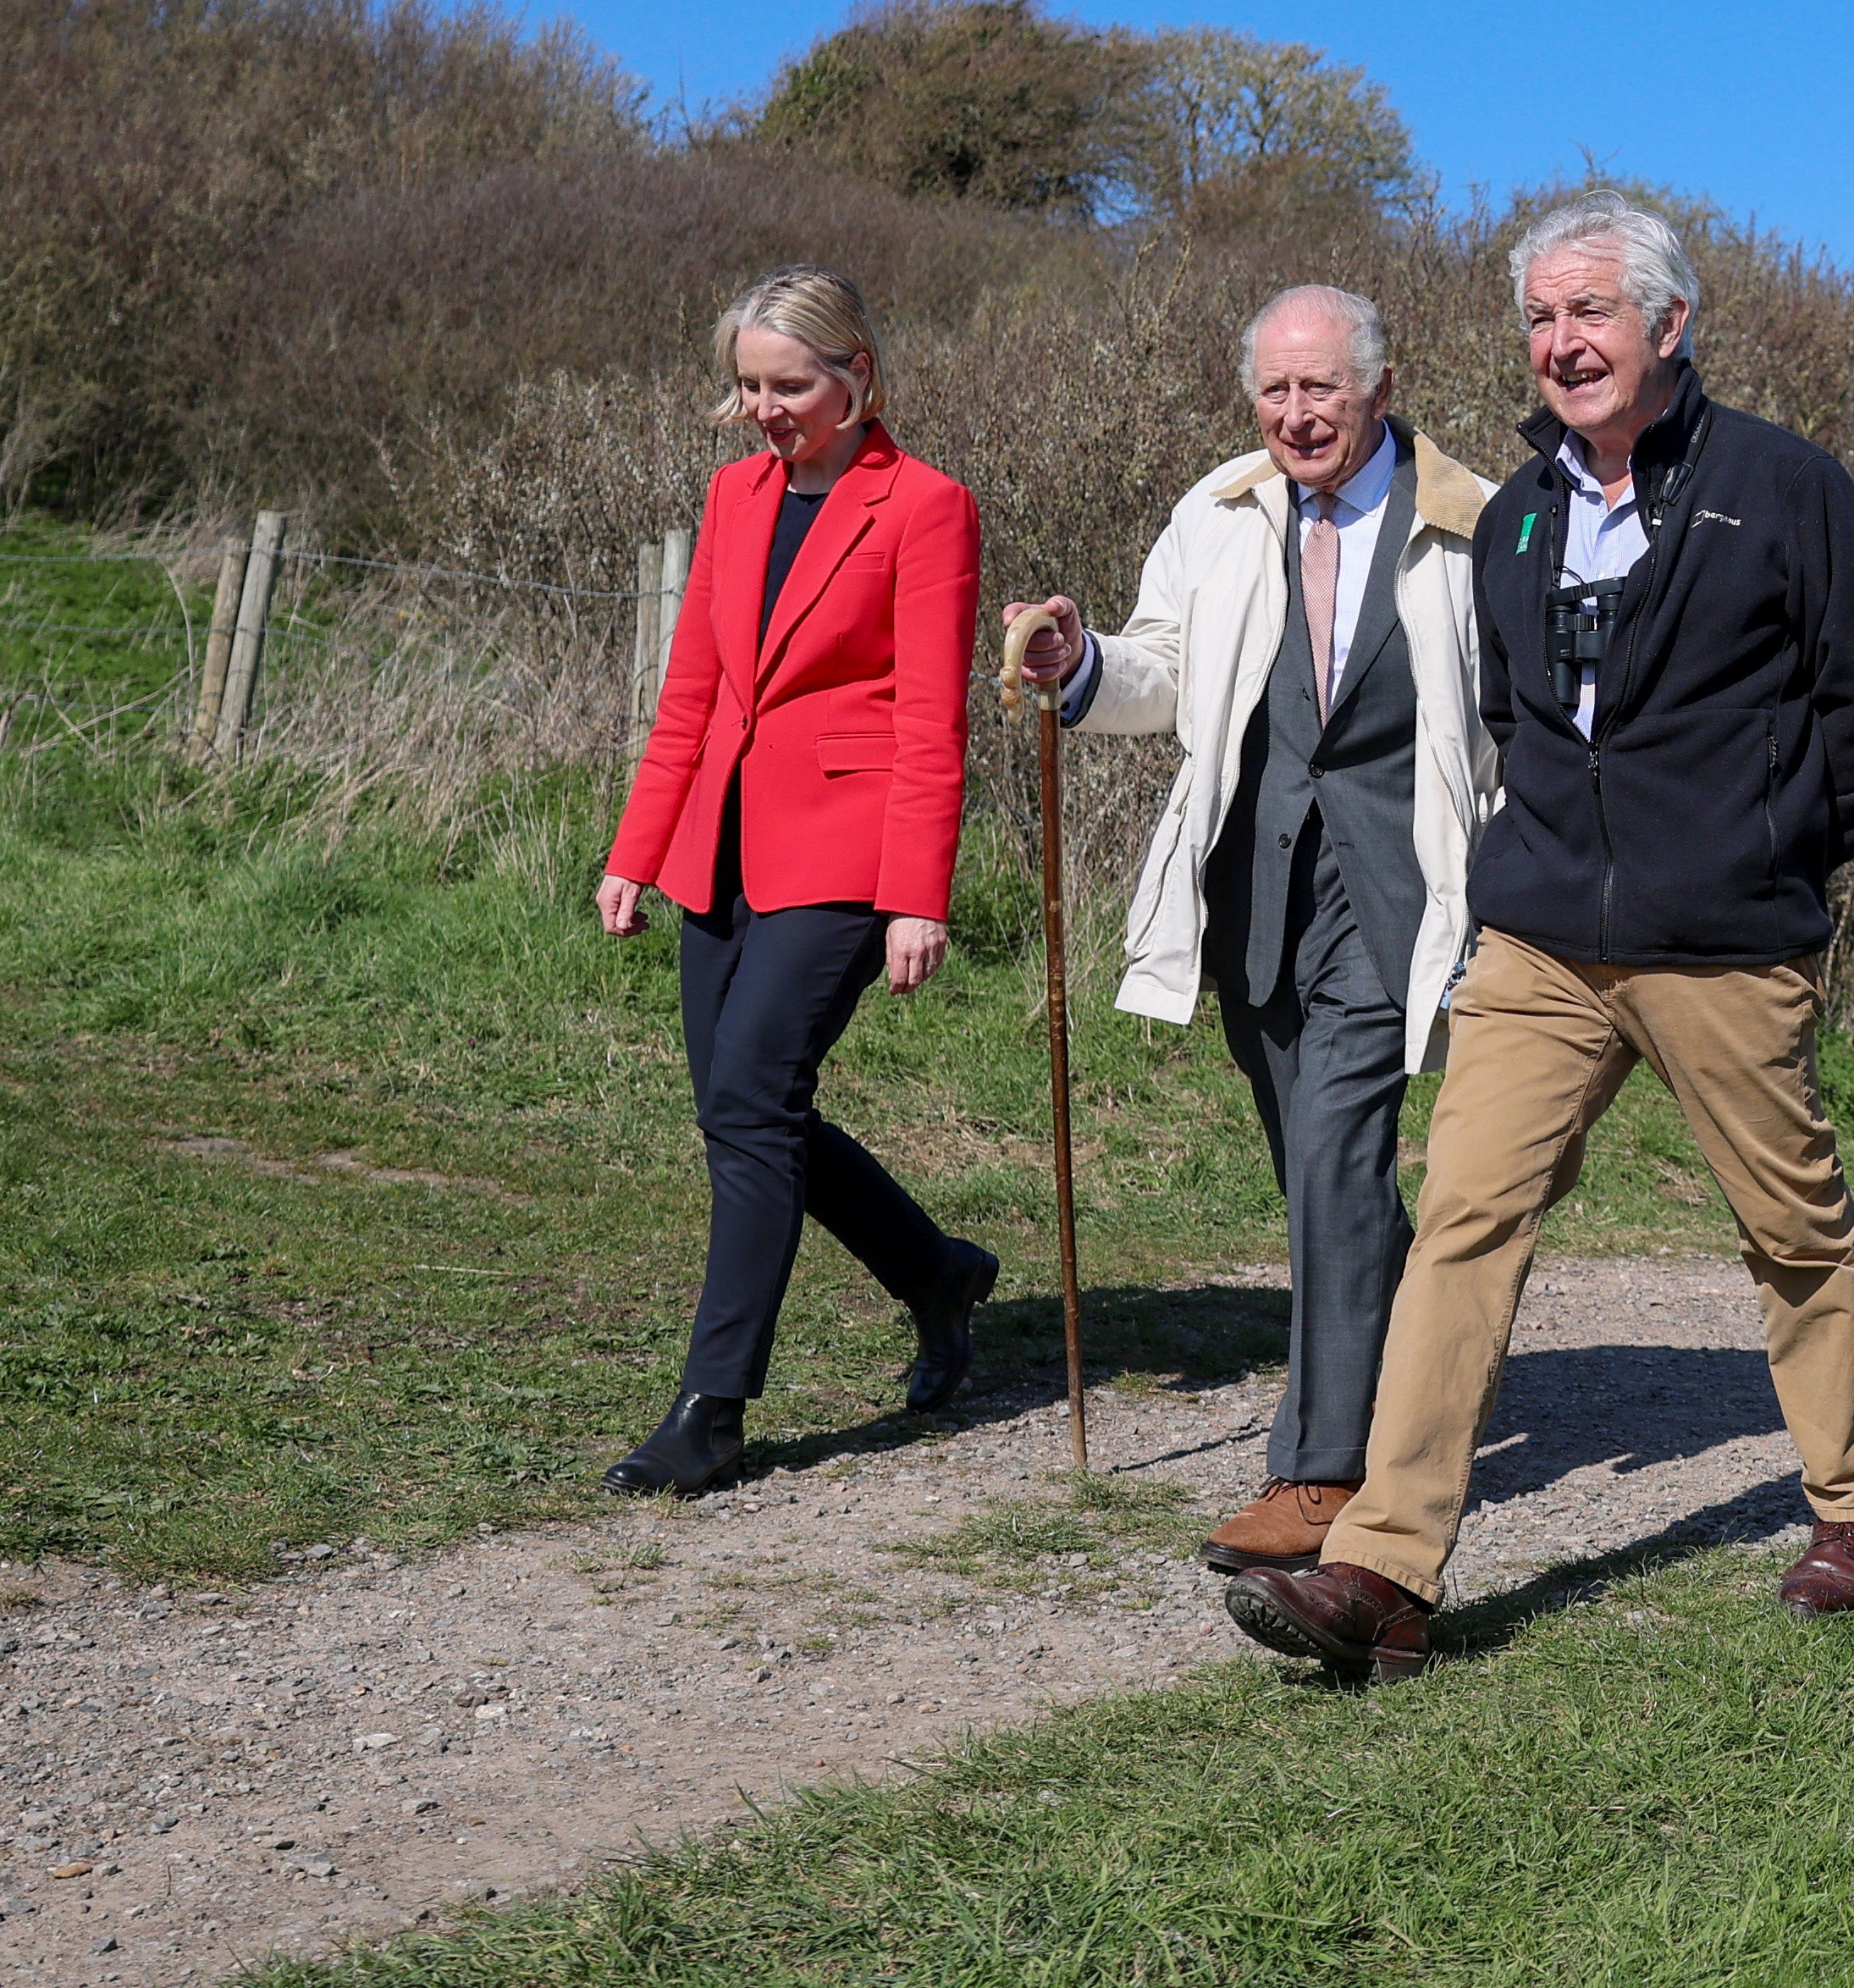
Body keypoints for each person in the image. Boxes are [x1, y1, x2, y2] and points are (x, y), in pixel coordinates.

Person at [1221, 192, 1854, 1682]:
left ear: (1671, 322)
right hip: (1539, 939)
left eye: (1591, 310)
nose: (1563, 342)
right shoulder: (1518, 514)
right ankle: (1385, 1569)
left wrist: (1767, 853)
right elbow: (1512, 715)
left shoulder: (1784, 485)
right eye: (1540, 317)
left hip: (1722, 940)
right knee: (1464, 1223)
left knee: (1791, 1229)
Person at [1005, 284, 1500, 1577]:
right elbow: (1169, 669)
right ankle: (1425, 1357)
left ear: (1380, 387)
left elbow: (1513, 724)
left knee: (1335, 1148)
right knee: (1317, 1166)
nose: (1295, 413)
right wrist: (1083, 665)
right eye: (1275, 390)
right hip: (1252, 888)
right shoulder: (1218, 513)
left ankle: (1322, 1468)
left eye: (1320, 386)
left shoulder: (1474, 524)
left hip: (1402, 893)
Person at [592, 267, 996, 1497]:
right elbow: (692, 692)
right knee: (742, 1110)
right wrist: (637, 848)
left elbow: (930, 719)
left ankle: (712, 1409)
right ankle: (935, 1273)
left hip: (845, 850)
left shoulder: (927, 506)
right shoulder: (733, 496)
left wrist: (918, 893)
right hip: (716, 840)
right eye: (749, 387)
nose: (765, 409)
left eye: (789, 386)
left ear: (855, 372)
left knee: (754, 1097)